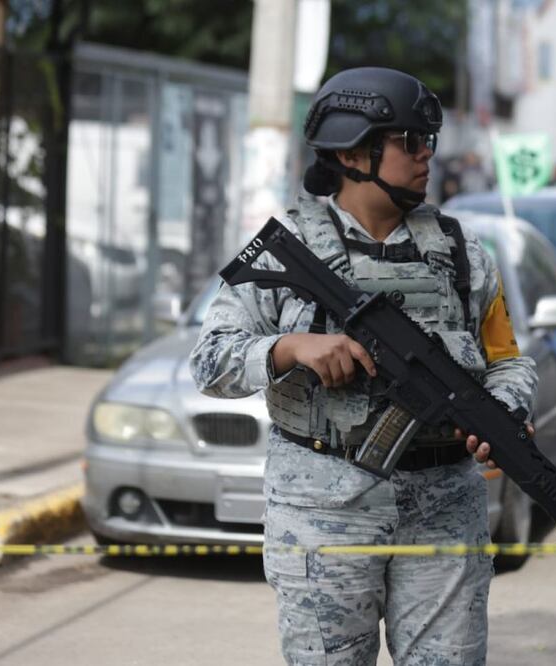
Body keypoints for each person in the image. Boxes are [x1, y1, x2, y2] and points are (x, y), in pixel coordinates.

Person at [190, 67, 538, 665]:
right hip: (323, 511)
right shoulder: (287, 249)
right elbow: (209, 361)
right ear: (352, 153)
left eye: (428, 140)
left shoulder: (463, 254)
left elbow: (506, 361)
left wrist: (504, 410)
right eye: (410, 140)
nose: (426, 154)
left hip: (444, 509)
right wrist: (289, 348)